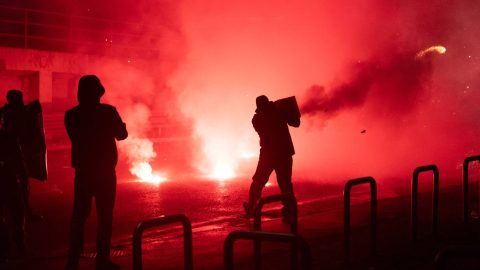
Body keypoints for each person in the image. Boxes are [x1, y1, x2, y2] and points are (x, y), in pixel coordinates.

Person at [64, 75, 128, 270]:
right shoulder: (108, 112)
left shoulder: (71, 115)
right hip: (105, 173)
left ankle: (72, 261)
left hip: (83, 172)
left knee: (79, 217)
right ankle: (102, 258)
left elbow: (75, 136)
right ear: (99, 92)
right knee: (105, 216)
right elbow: (122, 135)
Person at [243, 95, 300, 223]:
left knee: (260, 181)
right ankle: (288, 210)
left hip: (269, 155)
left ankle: (251, 206)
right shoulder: (273, 114)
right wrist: (280, 109)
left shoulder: (259, 118)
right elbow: (295, 122)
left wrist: (280, 109)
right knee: (284, 183)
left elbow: (295, 122)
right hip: (281, 153)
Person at [0, 113, 27, 262]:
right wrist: (23, 180)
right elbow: (19, 161)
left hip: (8, 181)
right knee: (17, 216)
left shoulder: (9, 138)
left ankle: (5, 251)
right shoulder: (9, 138)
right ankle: (19, 249)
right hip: (9, 181)